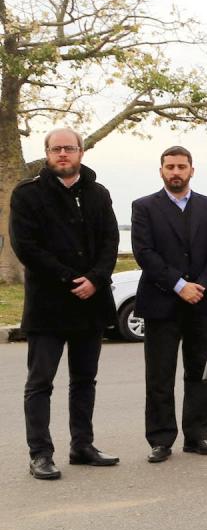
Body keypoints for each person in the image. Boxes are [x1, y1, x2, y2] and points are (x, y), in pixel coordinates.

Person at [11, 128, 120, 480]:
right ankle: (40, 453)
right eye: (55, 149)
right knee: (40, 382)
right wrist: (70, 278)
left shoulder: (98, 193)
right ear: (46, 153)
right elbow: (26, 246)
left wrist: (96, 278)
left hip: (91, 303)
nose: (62, 154)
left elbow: (110, 242)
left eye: (68, 148)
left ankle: (82, 445)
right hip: (49, 305)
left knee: (85, 380)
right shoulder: (28, 195)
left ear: (81, 152)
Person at [132, 146, 207, 463]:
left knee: (201, 373)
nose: (176, 171)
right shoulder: (144, 207)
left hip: (201, 301)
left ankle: (197, 436)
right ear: (161, 171)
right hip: (162, 302)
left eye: (181, 166)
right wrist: (179, 285)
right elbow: (144, 252)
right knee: (160, 375)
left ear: (192, 170)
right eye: (170, 166)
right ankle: (160, 439)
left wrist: (200, 285)